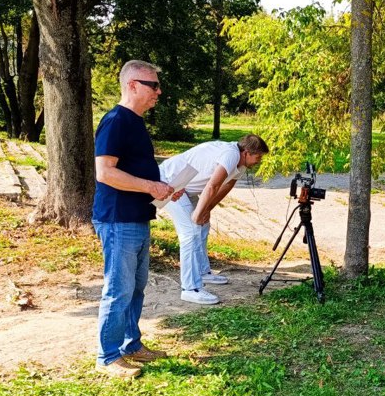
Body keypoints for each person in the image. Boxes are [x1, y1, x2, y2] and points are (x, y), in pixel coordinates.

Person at [92, 60, 175, 379]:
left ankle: (130, 345)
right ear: (132, 85)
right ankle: (108, 356)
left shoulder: (135, 122)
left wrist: (164, 190)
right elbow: (105, 172)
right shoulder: (116, 121)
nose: (158, 91)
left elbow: (135, 173)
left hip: (138, 216)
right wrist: (149, 186)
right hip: (117, 219)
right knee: (119, 288)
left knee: (136, 287)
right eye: (153, 85)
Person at [160, 134, 269, 305]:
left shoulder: (240, 163)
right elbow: (213, 185)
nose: (259, 161)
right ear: (246, 152)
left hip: (185, 189)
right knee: (190, 232)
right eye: (258, 157)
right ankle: (190, 288)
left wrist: (207, 209)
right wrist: (197, 213)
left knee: (202, 226)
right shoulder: (231, 154)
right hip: (170, 182)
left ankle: (203, 272)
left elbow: (227, 186)